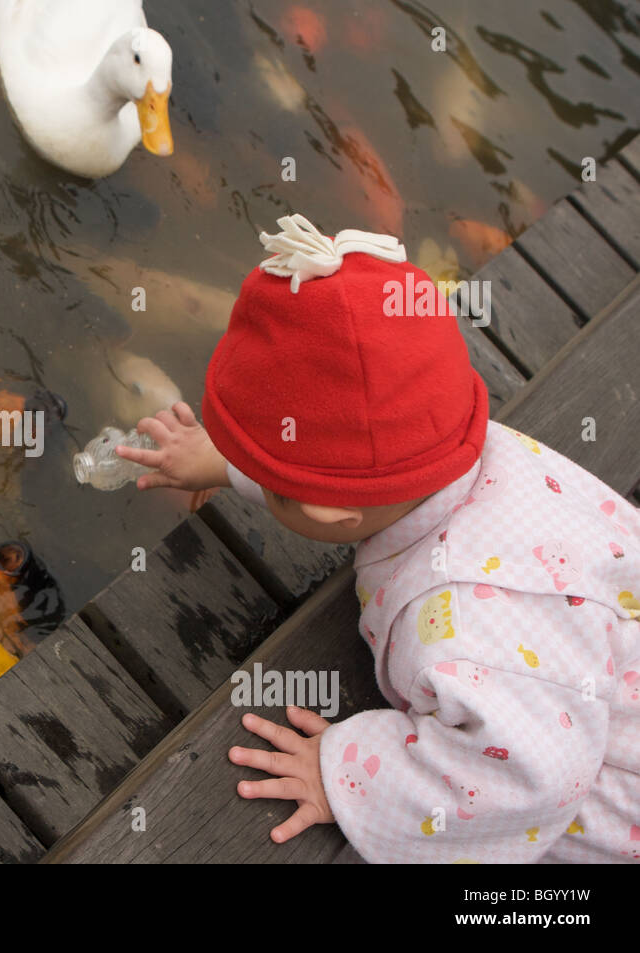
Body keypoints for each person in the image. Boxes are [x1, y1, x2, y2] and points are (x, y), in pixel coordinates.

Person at [117, 214, 640, 862]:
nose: (258, 478)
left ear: (328, 512)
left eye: (269, 482)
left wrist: (346, 775)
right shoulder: (458, 446)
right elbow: (352, 459)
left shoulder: (464, 631)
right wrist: (228, 462)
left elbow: (527, 781)